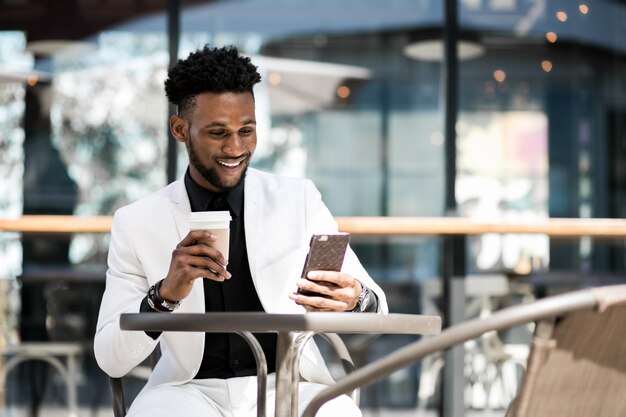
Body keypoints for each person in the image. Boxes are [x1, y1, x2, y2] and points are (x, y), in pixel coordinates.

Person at [94, 45, 388, 417]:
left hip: (289, 384)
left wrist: (356, 299)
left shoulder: (298, 200)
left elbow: (374, 309)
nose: (235, 147)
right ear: (180, 129)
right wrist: (164, 295)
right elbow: (110, 358)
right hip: (187, 391)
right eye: (218, 132)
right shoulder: (137, 222)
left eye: (246, 131)